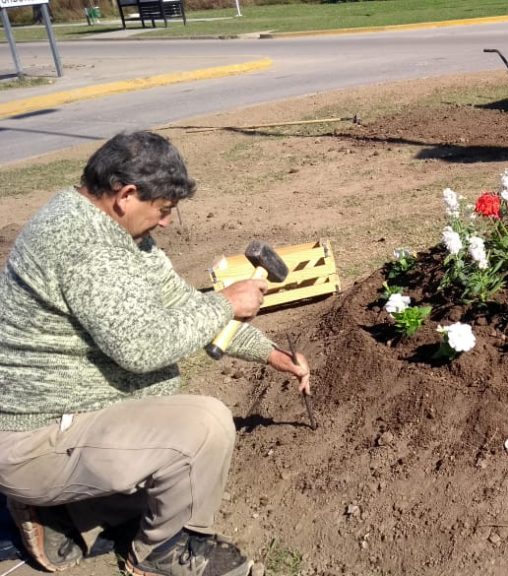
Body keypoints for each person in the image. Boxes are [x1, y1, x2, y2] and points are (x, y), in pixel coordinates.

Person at [0, 131, 310, 576]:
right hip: (36, 440)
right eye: (162, 210)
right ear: (126, 195)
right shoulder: (85, 247)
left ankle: (68, 515)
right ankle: (164, 553)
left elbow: (182, 307)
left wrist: (271, 353)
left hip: (68, 418)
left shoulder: (116, 232)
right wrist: (226, 302)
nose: (165, 223)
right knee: (202, 427)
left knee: (169, 463)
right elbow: (144, 348)